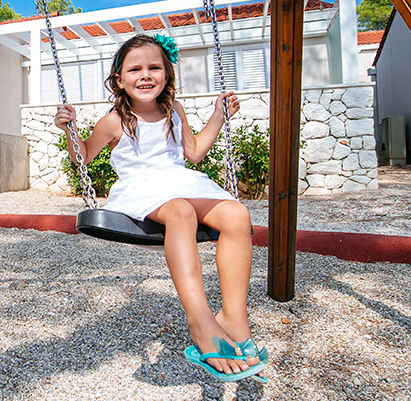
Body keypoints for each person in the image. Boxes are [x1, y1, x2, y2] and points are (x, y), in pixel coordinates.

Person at [55, 33, 268, 383]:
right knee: (181, 211)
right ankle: (200, 320)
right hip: (142, 188)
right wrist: (69, 129)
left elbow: (195, 153)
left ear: (167, 75)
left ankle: (234, 319)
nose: (145, 75)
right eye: (135, 69)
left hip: (179, 179)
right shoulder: (114, 121)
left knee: (237, 214)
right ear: (119, 80)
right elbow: (83, 157)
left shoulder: (174, 111)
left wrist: (218, 115)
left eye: (154, 67)